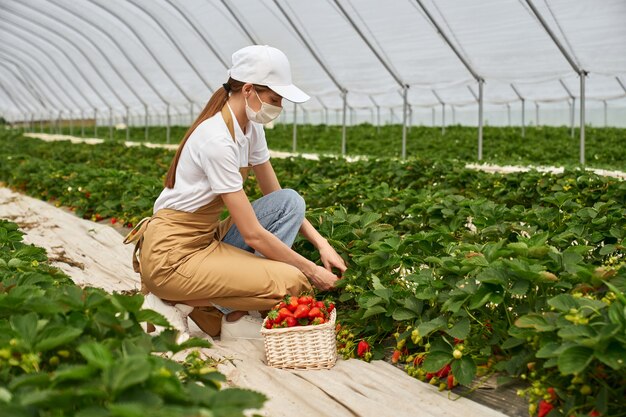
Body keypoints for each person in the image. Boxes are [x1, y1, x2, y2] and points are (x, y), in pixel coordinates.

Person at [124, 45, 347, 340]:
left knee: (289, 202)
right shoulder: (216, 139)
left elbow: (274, 193)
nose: (278, 107)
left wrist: (322, 244)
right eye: (274, 99)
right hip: (172, 257)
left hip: (206, 239)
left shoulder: (250, 128)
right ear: (250, 90)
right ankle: (173, 300)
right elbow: (252, 234)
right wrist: (311, 270)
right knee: (294, 282)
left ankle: (230, 306)